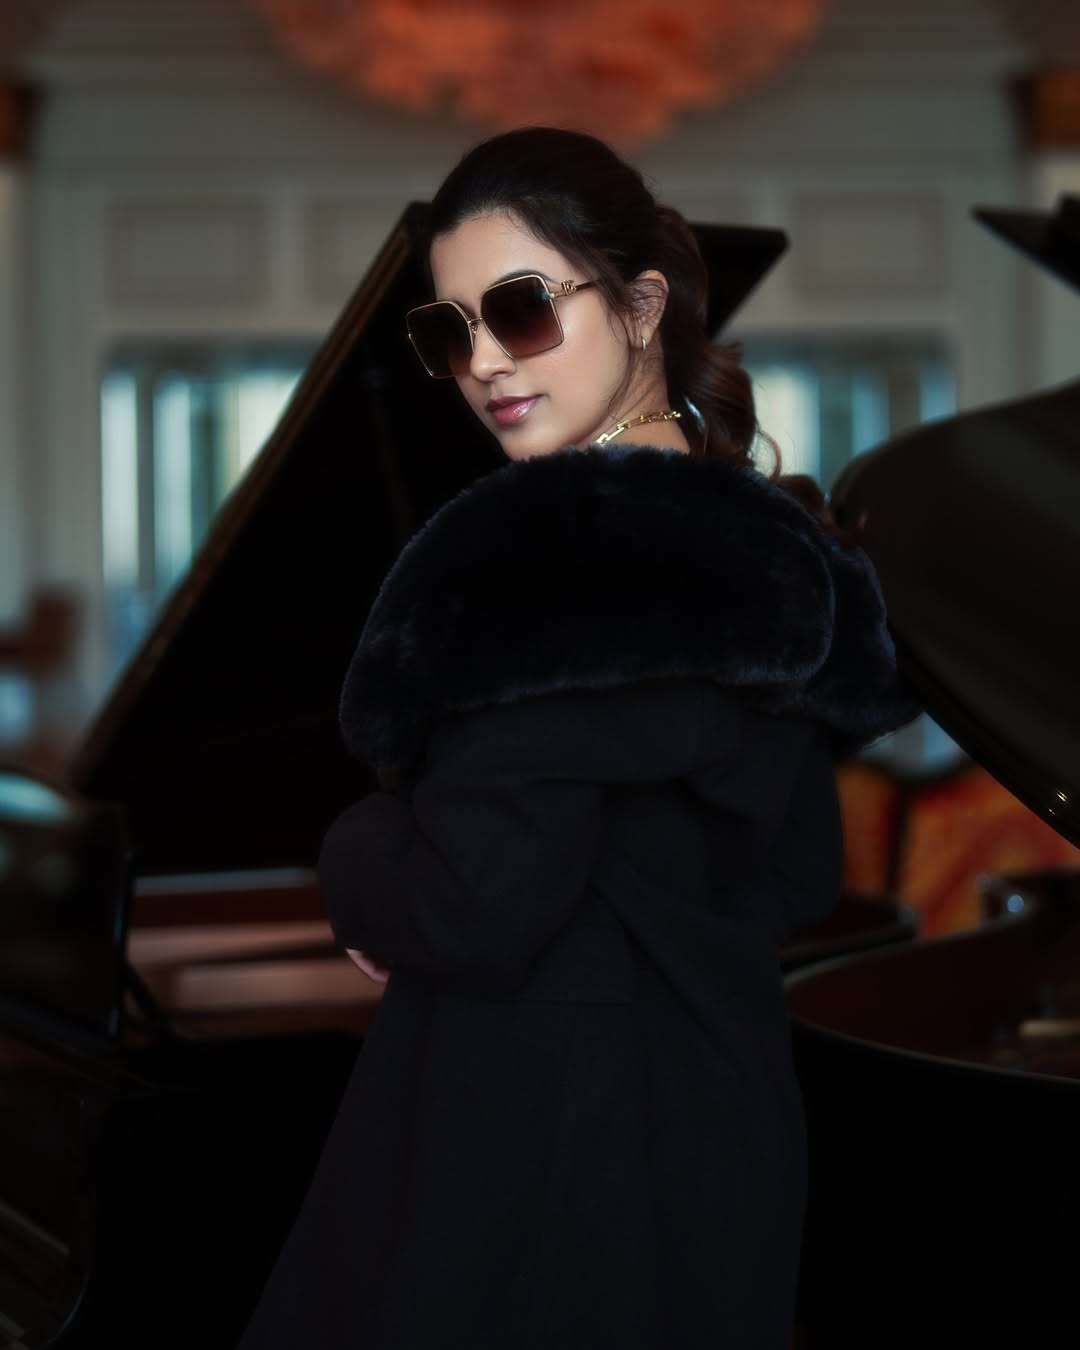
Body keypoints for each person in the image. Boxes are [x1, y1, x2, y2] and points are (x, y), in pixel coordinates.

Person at [235, 125, 921, 1350]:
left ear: (642, 306)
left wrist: (358, 851)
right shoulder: (781, 553)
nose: (486, 362)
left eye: (521, 309)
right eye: (449, 332)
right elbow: (798, 878)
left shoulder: (543, 564)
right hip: (720, 1125)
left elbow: (470, 909)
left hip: (531, 1150)